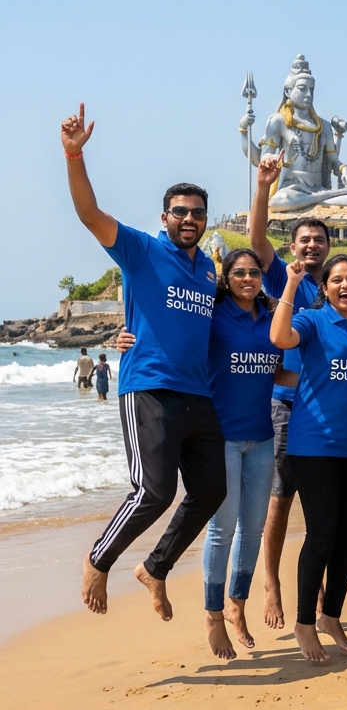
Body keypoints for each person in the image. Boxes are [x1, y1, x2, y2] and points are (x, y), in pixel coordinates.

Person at [63, 103, 226, 620]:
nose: (189, 219)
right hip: (150, 388)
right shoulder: (140, 250)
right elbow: (90, 215)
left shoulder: (209, 272)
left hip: (198, 395)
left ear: (205, 219)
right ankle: (98, 559)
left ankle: (155, 568)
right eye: (180, 211)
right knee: (154, 492)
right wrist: (74, 157)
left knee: (211, 490)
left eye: (197, 212)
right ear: (165, 218)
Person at [115, 248, 282, 660]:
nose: (247, 278)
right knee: (223, 529)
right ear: (225, 278)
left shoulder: (271, 316)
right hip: (219, 436)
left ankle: (236, 605)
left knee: (254, 529)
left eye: (254, 272)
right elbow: (173, 334)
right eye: (238, 272)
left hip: (262, 438)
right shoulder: (212, 314)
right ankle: (213, 615)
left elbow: (278, 368)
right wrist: (128, 339)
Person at [269, 254, 347, 663]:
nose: (345, 286)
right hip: (312, 446)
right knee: (322, 535)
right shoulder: (313, 320)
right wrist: (291, 283)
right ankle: (304, 623)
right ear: (326, 287)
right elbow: (279, 338)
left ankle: (331, 616)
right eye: (336, 280)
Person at [247, 154, 329, 630]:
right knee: (280, 498)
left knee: (320, 504)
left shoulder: (340, 287)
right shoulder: (284, 278)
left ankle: (315, 586)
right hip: (285, 407)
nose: (312, 245)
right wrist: (265, 187)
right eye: (305, 240)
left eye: (319, 239)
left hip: (327, 413)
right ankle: (272, 582)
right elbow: (257, 238)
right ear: (293, 246)